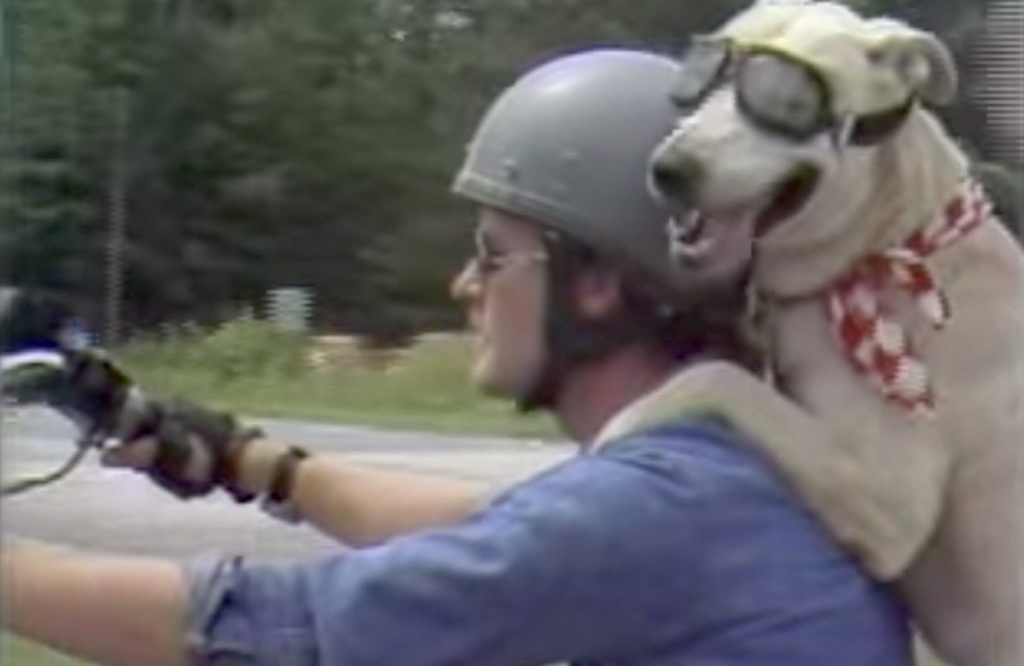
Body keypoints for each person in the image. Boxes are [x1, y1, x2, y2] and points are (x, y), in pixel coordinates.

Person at [2, 48, 912, 666]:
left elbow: (292, 630)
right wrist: (251, 461)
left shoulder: (658, 507)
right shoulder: (728, 463)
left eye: (492, 252)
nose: (463, 284)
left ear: (597, 281)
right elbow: (482, 526)